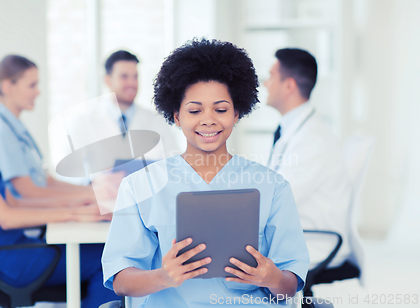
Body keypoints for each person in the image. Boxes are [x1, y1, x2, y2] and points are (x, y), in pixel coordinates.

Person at [101, 39, 310, 307]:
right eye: (194, 110)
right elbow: (120, 280)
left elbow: (289, 287)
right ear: (176, 116)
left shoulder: (273, 187)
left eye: (221, 109)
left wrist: (271, 278)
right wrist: (163, 277)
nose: (208, 119)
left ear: (236, 113)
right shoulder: (140, 186)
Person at [0, 62, 118, 307]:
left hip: (14, 251)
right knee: (111, 258)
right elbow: (6, 217)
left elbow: (13, 201)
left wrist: (81, 209)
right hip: (0, 262)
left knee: (103, 252)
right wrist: (75, 213)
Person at [0, 55, 122, 200]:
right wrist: (91, 196)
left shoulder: (15, 128)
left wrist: (93, 190)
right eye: (32, 85)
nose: (38, 92)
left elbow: (47, 181)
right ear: (8, 87)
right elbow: (28, 192)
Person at [264, 48, 352, 269]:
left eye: (271, 76)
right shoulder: (295, 129)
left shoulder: (311, 138)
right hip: (296, 234)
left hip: (313, 242)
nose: (265, 84)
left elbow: (279, 201)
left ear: (289, 86)